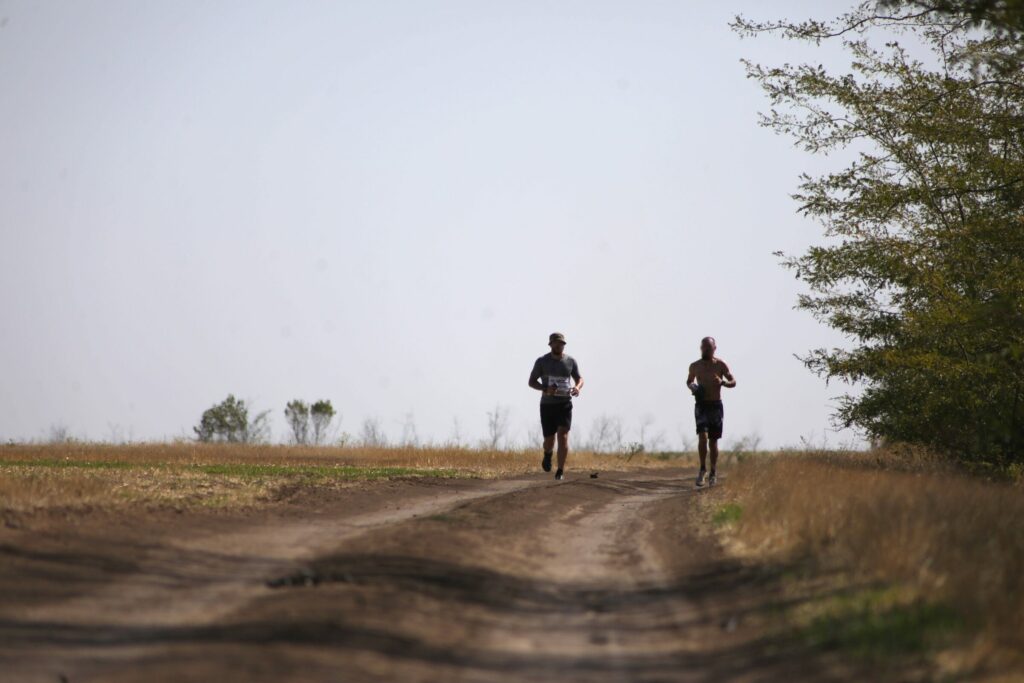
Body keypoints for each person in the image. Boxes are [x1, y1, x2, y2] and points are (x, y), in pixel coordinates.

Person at [528, 332, 584, 480]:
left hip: (564, 404)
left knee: (563, 436)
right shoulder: (542, 361)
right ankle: (547, 454)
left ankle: (560, 470)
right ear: (551, 344)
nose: (559, 345)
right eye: (556, 343)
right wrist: (545, 389)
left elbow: (579, 378)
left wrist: (577, 387)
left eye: (561, 343)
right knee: (549, 440)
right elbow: (531, 382)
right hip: (547, 405)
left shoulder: (570, 361)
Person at [686, 336, 736, 487]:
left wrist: (722, 382)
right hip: (701, 405)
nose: (705, 350)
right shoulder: (695, 366)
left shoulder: (720, 364)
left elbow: (733, 382)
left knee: (713, 441)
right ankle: (702, 470)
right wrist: (693, 387)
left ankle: (713, 472)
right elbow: (689, 381)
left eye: (708, 348)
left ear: (714, 349)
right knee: (702, 437)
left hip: (715, 406)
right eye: (703, 348)